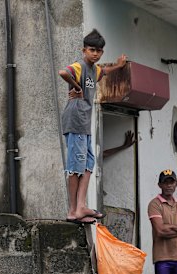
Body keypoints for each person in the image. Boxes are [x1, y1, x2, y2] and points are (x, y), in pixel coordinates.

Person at [58, 29, 127, 224]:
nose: (95, 54)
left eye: (98, 51)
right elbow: (63, 72)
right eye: (91, 50)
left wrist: (118, 66)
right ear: (84, 50)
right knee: (75, 167)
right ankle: (73, 210)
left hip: (84, 124)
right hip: (75, 121)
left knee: (88, 164)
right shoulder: (79, 66)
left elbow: (103, 72)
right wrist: (76, 87)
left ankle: (81, 206)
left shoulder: (94, 70)